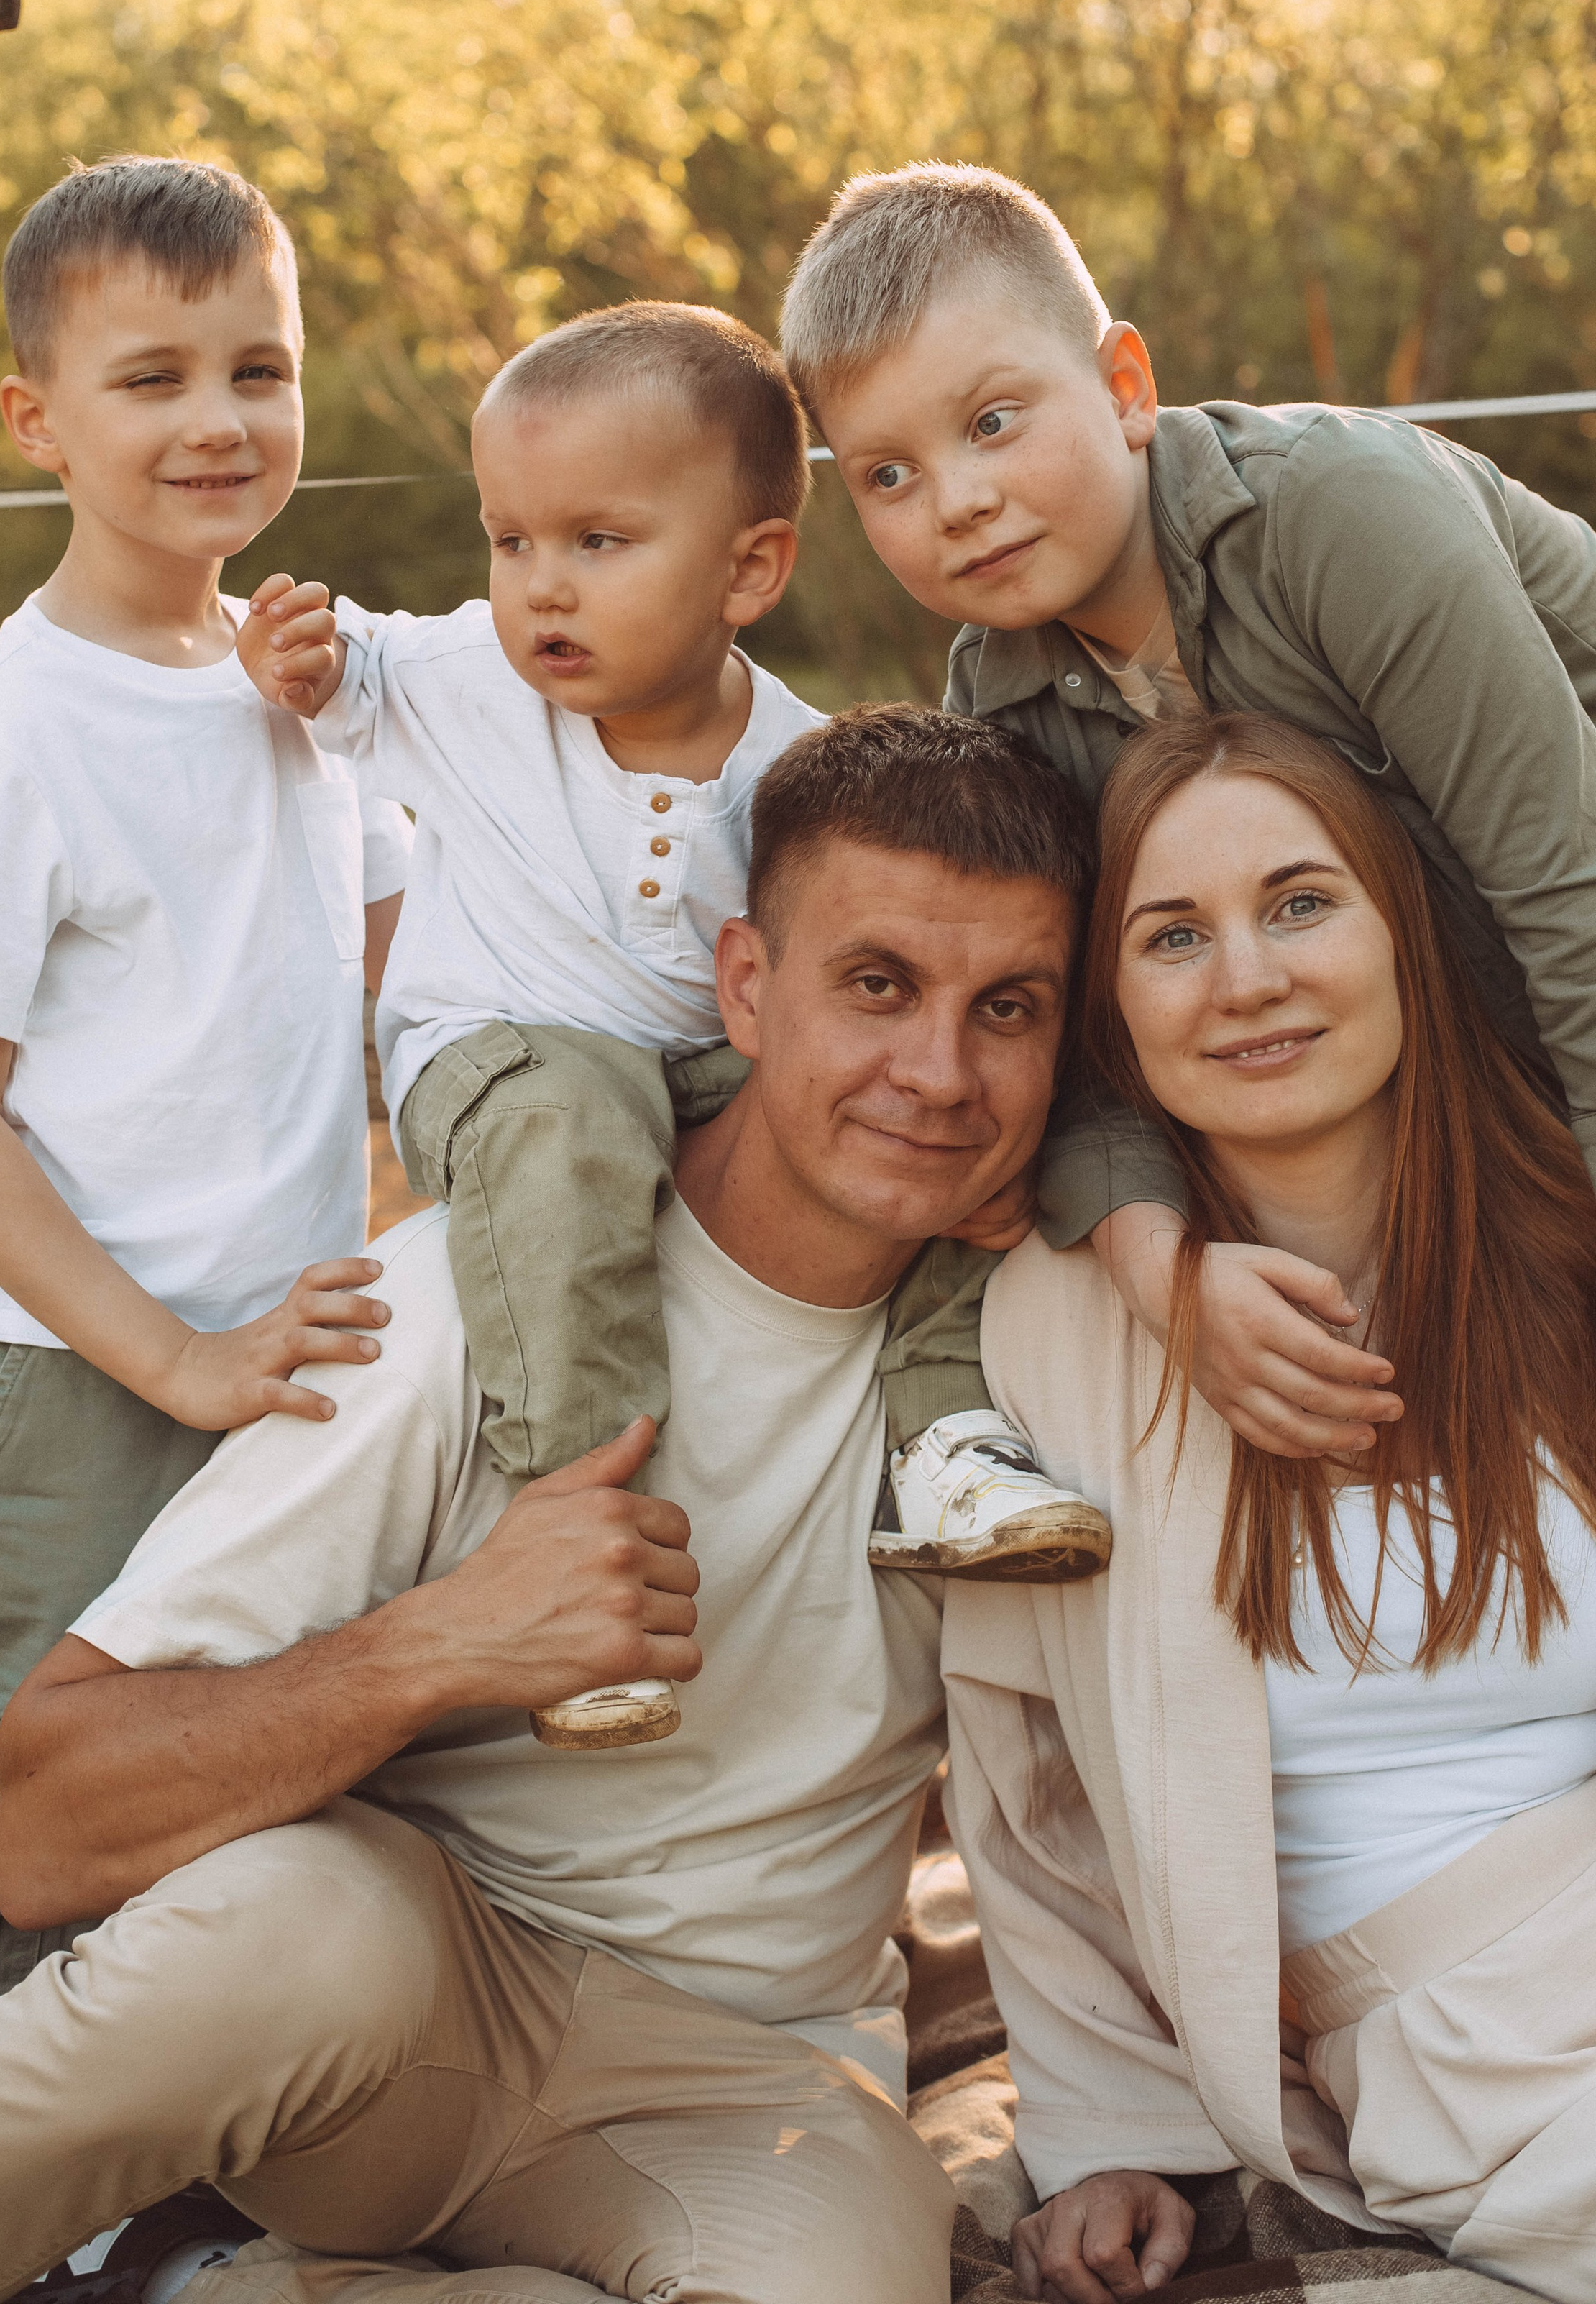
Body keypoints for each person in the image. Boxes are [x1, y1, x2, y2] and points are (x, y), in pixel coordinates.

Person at [0, 705, 1105, 2304]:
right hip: (388, 2020)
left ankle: (185, 2288)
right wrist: (440, 1645)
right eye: (875, 986)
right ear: (744, 985)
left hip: (743, 2082)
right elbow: (45, 1833)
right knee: (298, 1927)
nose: (938, 1074)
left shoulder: (1032, 1369)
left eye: (1003, 1009)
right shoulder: (476, 1306)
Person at [0, 158, 416, 2153]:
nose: (218, 419)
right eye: (152, 379)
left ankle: (103, 2169)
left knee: (199, 1804)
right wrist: (170, 1360)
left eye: (259, 367)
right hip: (71, 1390)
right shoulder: (13, 732)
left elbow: (401, 983)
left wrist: (348, 713)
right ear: (38, 422)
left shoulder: (302, 691)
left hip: (276, 1383)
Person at [240, 305, 1106, 1750]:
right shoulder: (465, 681)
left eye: (596, 542)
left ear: (749, 565)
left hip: (688, 1063)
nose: (538, 590)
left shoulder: (793, 766)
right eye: (508, 540)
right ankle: (572, 1530)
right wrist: (300, 656)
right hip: (499, 1052)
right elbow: (354, 679)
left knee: (917, 1145)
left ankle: (948, 1439)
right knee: (569, 1136)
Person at [781, 158, 1596, 1477]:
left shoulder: (1342, 517)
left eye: (993, 422)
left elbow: (1569, 896)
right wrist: (1166, 1274)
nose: (958, 502)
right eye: (887, 475)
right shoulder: (1000, 705)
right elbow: (1069, 1035)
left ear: (1126, 389)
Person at [940, 713, 1596, 2304]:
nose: (1244, 979)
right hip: (1467, 2033)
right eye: (1173, 937)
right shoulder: (1059, 1325)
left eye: (1299, 903)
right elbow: (1026, 1785)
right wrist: (1110, 2126)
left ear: (1399, 935)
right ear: (1116, 1004)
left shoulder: (1562, 1237)